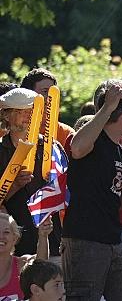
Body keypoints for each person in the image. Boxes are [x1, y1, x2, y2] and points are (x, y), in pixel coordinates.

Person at [64, 79, 122, 301]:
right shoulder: (94, 140)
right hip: (86, 240)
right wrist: (108, 107)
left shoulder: (118, 151)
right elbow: (76, 148)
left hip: (112, 240)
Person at [0, 88, 63, 258]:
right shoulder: (0, 151)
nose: (29, 115)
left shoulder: (51, 147)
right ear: (6, 115)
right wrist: (15, 185)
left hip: (51, 239)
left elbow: (66, 189)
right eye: (21, 111)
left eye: (33, 110)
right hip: (11, 245)